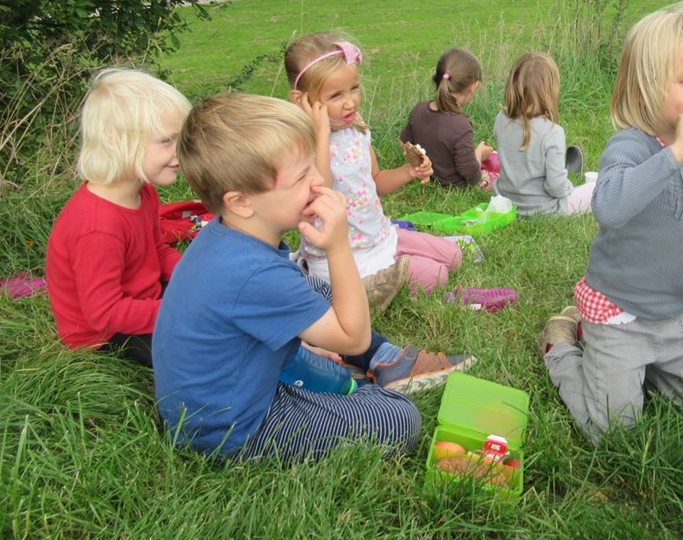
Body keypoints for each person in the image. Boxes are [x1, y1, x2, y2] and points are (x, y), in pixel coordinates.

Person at [153, 93, 474, 461]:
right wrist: (338, 246)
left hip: (231, 389)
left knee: (314, 287)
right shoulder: (253, 272)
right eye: (302, 175)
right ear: (241, 201)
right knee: (398, 418)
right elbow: (353, 338)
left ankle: (385, 362)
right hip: (233, 428)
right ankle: (370, 378)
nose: (320, 179)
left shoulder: (229, 237)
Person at [538, 2, 683, 442]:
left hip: (674, 312)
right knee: (610, 432)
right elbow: (608, 207)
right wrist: (675, 153)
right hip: (620, 310)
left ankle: (615, 364)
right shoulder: (632, 147)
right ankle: (563, 349)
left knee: (676, 410)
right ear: (646, 88)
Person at [284, 33, 462, 305]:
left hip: (380, 236)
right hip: (343, 258)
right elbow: (320, 193)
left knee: (453, 255)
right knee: (437, 275)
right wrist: (320, 133)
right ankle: (355, 290)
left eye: (354, 88)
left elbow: (375, 181)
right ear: (302, 100)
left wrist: (408, 171)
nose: (350, 102)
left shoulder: (355, 127)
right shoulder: (302, 144)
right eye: (335, 95)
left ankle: (393, 268)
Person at [45, 68, 191, 367]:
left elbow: (158, 251)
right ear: (115, 141)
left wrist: (195, 273)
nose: (179, 151)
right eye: (166, 141)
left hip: (143, 301)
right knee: (203, 346)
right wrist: (177, 311)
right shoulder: (98, 227)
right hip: (107, 336)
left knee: (221, 303)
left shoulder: (143, 191)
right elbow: (105, 313)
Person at [493, 52, 595, 216]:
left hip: (505, 201)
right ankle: (566, 173)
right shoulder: (553, 132)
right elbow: (554, 187)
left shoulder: (501, 119)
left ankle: (564, 169)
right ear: (550, 91)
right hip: (543, 209)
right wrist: (568, 188)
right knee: (594, 189)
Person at [400, 48, 498, 189]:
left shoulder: (419, 109)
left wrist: (420, 162)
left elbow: (403, 143)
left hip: (429, 177)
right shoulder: (460, 125)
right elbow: (471, 175)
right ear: (473, 86)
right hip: (455, 185)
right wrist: (480, 153)